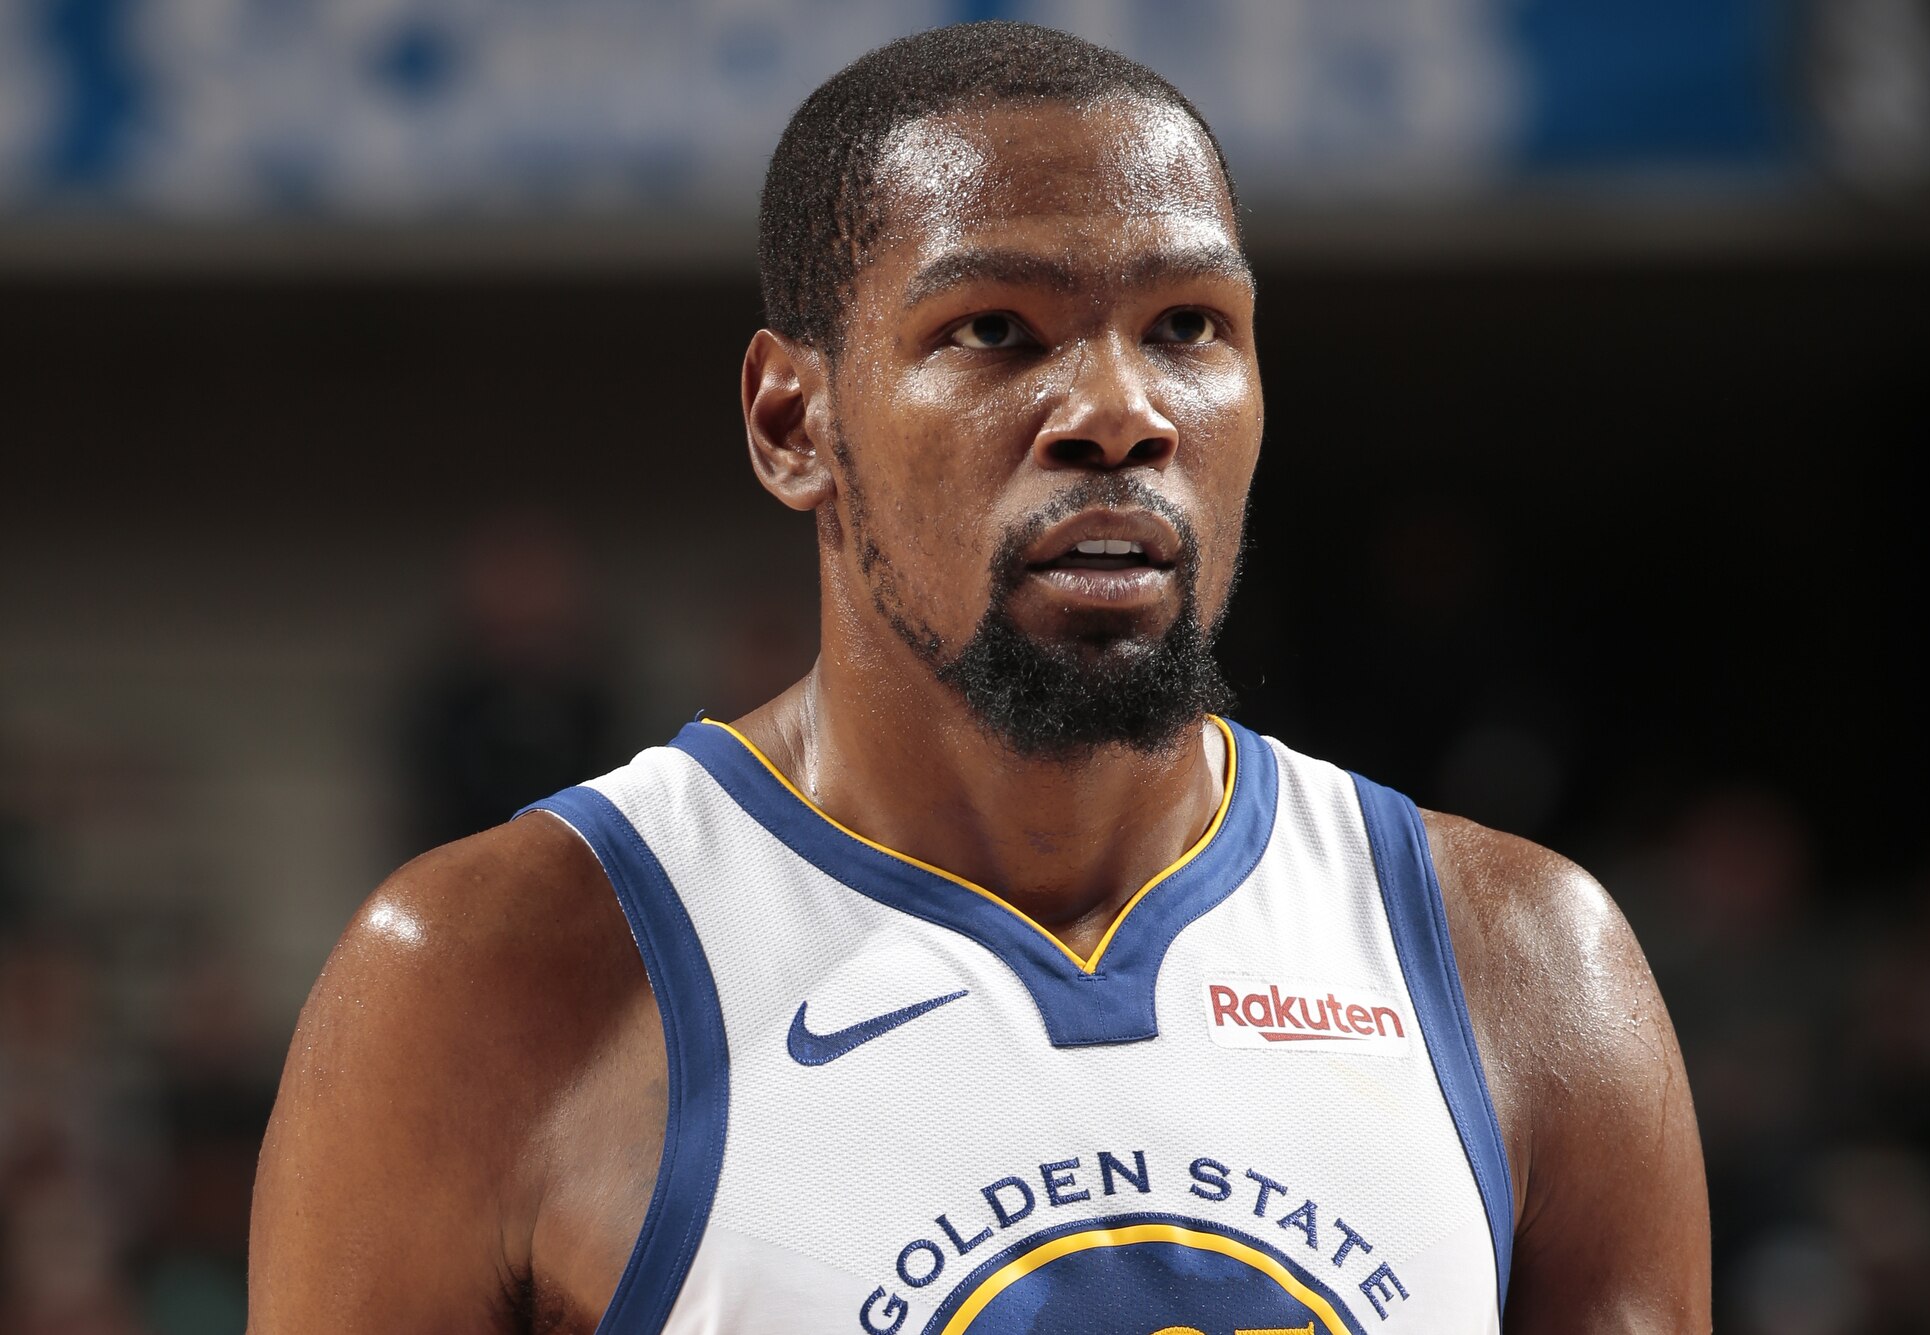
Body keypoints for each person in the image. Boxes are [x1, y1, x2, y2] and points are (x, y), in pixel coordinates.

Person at [247, 22, 1708, 1335]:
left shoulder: (1522, 964)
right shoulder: (489, 981)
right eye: (995, 331)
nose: (1121, 413)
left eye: (1189, 325)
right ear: (790, 419)